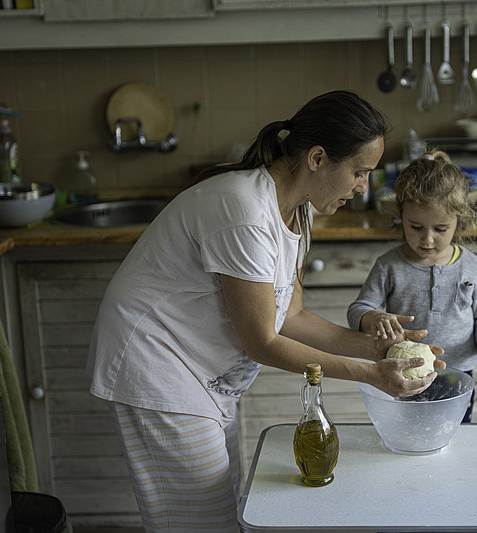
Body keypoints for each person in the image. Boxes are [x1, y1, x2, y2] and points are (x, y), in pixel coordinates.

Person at [86, 90, 444, 533]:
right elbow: (263, 342)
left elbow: (291, 318)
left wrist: (381, 352)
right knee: (199, 522)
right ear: (317, 158)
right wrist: (371, 376)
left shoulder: (295, 211)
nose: (362, 187)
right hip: (155, 361)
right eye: (358, 171)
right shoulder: (245, 211)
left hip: (200, 371)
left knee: (221, 508)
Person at [347, 150, 477, 422]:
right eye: (416, 226)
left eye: (440, 229)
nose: (427, 239)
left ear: (460, 219)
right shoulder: (389, 265)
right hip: (404, 372)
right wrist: (375, 318)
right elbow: (358, 309)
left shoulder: (473, 267)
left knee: (454, 432)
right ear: (401, 215)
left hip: (458, 373)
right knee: (408, 432)